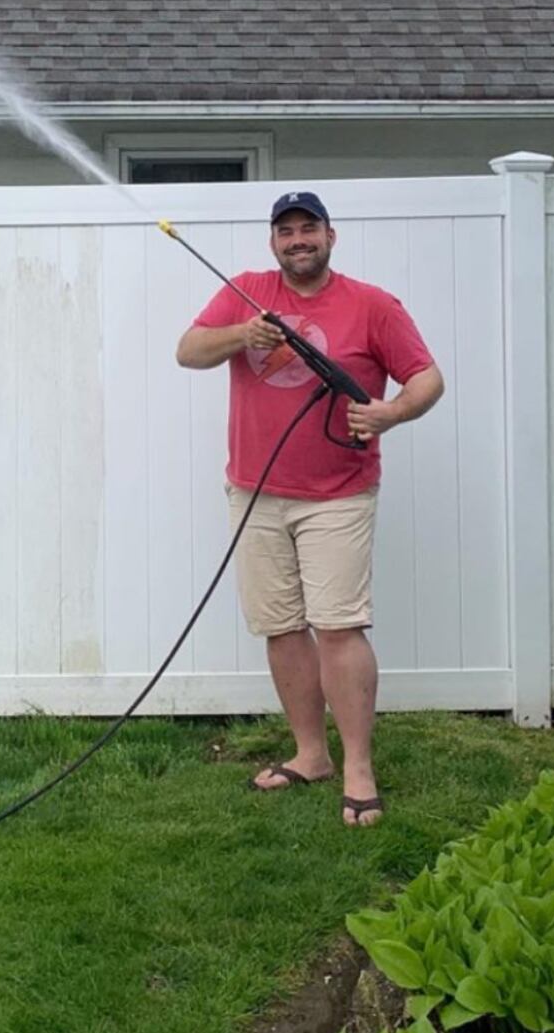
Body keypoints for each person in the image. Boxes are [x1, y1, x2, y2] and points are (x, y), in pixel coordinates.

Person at [175, 191, 444, 826]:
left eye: (309, 229)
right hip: (255, 491)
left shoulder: (373, 305)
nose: (298, 240)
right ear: (273, 242)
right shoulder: (246, 293)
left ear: (330, 236)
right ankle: (309, 754)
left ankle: (357, 766)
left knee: (339, 628)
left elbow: (427, 378)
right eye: (286, 231)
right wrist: (244, 333)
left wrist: (391, 413)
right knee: (281, 626)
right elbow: (189, 350)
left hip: (338, 495)